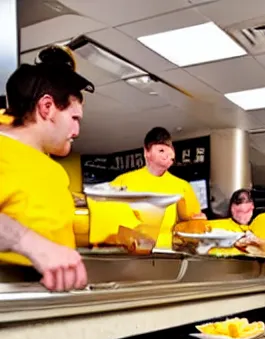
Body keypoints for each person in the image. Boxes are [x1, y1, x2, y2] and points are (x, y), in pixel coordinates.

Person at [0, 45, 94, 291]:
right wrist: (29, 243)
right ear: (47, 107)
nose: (77, 132)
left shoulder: (49, 167)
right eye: (74, 118)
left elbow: (49, 222)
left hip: (47, 308)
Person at [111, 127, 205, 248]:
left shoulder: (182, 187)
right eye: (160, 150)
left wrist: (198, 222)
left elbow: (192, 227)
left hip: (167, 256)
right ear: (146, 152)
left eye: (168, 150)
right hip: (129, 255)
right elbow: (109, 222)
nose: (165, 155)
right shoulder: (122, 182)